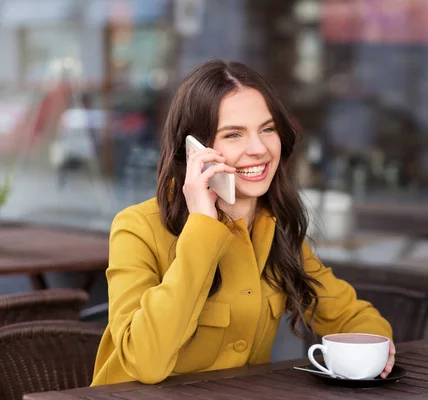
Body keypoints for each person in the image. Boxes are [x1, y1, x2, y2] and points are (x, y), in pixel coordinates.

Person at [91, 60, 394, 386]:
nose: (259, 149)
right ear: (194, 150)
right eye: (233, 134)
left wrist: (375, 348)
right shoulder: (137, 228)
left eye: (267, 129)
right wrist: (202, 226)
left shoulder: (271, 227)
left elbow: (352, 317)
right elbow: (145, 361)